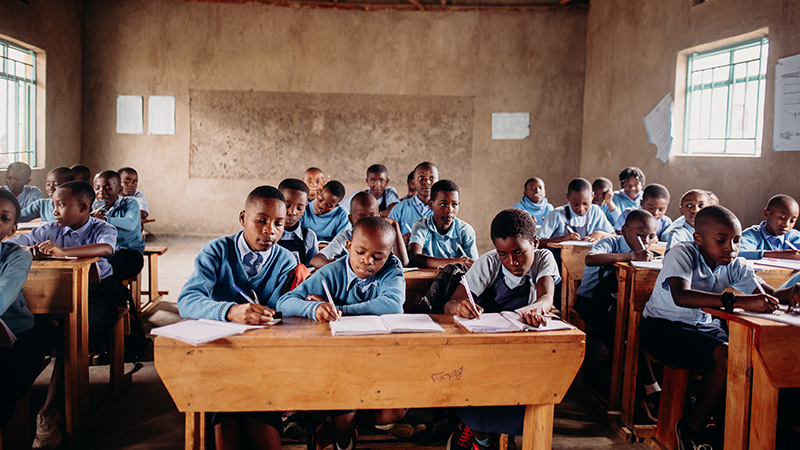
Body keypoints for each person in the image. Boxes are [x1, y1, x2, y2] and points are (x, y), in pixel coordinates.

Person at [639, 206, 799, 449]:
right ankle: (691, 430)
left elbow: (768, 295)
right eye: (721, 240)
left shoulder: (736, 263)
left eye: (736, 240)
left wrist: (792, 293)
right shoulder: (683, 253)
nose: (731, 247)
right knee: (726, 355)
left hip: (703, 330)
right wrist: (737, 301)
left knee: (752, 358)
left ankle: (732, 431)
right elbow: (681, 296)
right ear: (698, 238)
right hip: (662, 328)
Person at [177, 185, 298, 450]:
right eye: (261, 221)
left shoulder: (287, 261)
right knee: (226, 426)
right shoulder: (217, 251)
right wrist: (230, 311)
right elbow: (187, 301)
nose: (270, 230)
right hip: (221, 353)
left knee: (260, 427)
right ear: (243, 218)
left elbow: (284, 311)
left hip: (263, 359)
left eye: (279, 223)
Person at [277, 217, 406, 450]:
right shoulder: (332, 271)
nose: (367, 261)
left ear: (389, 255)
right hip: (337, 362)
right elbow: (285, 302)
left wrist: (340, 310)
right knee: (347, 411)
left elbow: (393, 305)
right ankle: (342, 434)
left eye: (378, 257)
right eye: (360, 252)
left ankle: (331, 422)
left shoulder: (391, 269)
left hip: (378, 358)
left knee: (397, 410)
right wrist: (315, 308)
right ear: (348, 247)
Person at [6, 181, 119, 447]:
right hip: (54, 294)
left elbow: (105, 249)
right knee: (30, 332)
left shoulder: (102, 227)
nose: (54, 210)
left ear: (83, 207)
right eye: (54, 204)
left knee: (76, 336)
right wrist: (29, 251)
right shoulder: (48, 229)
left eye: (61, 205)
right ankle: (16, 397)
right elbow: (14, 244)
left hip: (97, 292)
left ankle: (49, 411)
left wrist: (62, 253)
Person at [442, 208, 559, 450]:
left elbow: (546, 296)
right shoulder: (489, 264)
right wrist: (460, 307)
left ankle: (502, 434)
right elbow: (449, 304)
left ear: (535, 243)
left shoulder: (543, 258)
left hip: (524, 346)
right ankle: (479, 434)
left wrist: (536, 308)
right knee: (472, 389)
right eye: (503, 254)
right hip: (486, 346)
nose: (512, 262)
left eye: (519, 253)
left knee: (531, 388)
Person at [575, 210, 663, 421]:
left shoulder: (649, 254)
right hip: (592, 302)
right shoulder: (612, 243)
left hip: (622, 305)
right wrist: (630, 256)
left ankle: (642, 387)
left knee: (639, 326)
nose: (645, 241)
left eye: (651, 236)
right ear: (625, 230)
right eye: (640, 235)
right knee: (620, 328)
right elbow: (591, 259)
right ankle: (642, 388)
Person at [0, 190, 44, 430]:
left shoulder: (17, 256)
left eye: (4, 218)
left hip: (18, 341)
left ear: (12, 229)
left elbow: (2, 296)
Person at [310, 191, 407, 269]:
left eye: (372, 217)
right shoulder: (346, 237)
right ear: (351, 219)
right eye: (361, 218)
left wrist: (396, 226)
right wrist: (341, 267)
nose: (367, 223)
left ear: (379, 217)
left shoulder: (385, 237)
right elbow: (316, 260)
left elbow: (402, 262)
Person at [408, 180, 478, 269]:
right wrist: (456, 262)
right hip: (426, 279)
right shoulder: (421, 225)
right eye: (443, 204)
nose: (449, 210)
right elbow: (414, 257)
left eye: (454, 204)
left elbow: (473, 266)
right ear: (431, 205)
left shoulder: (465, 231)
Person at [92, 170, 145, 282]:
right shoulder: (94, 207)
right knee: (90, 268)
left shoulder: (130, 203)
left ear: (119, 189)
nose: (101, 192)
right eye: (97, 188)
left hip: (129, 253)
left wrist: (105, 219)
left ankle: (116, 295)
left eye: (108, 188)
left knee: (105, 269)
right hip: (104, 253)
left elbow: (130, 223)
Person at [538, 177, 614, 247]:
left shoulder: (595, 211)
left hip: (585, 258)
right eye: (575, 204)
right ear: (568, 197)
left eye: (585, 204)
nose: (581, 209)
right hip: (558, 260)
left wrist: (600, 234)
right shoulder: (556, 214)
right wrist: (562, 239)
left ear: (592, 196)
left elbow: (615, 236)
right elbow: (537, 242)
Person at [739, 194, 800, 260]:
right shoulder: (751, 235)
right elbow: (739, 253)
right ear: (766, 213)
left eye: (792, 221)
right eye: (782, 218)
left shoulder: (794, 236)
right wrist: (779, 255)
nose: (786, 224)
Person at [388, 162, 439, 238]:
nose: (426, 182)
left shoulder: (442, 210)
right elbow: (387, 238)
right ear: (413, 182)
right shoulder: (399, 209)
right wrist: (402, 240)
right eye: (421, 178)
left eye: (431, 178)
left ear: (437, 182)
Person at [276, 178, 318, 266]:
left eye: (299, 208)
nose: (292, 212)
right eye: (287, 206)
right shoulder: (268, 233)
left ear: (305, 208)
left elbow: (312, 270)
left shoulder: (309, 236)